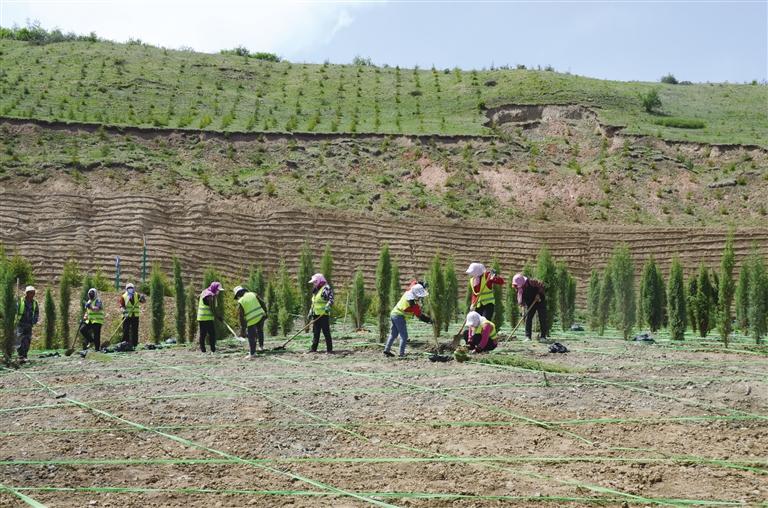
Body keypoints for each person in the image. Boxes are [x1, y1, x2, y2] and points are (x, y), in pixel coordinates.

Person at [384, 283, 432, 358]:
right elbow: (419, 315)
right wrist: (429, 320)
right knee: (404, 336)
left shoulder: (409, 292)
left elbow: (414, 282)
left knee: (393, 334)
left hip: (393, 313)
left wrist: (423, 285)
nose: (420, 298)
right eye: (419, 296)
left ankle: (387, 350)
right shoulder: (412, 303)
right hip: (399, 316)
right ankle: (401, 354)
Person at [512, 273, 548, 342]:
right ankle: (528, 337)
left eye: (517, 285)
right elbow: (521, 301)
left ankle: (543, 336)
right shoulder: (519, 289)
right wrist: (523, 311)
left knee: (542, 317)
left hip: (539, 300)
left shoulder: (532, 281)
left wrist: (538, 294)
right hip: (530, 302)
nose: (516, 287)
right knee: (528, 317)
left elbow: (542, 285)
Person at [234, 285, 267, 359]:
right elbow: (263, 303)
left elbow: (241, 317)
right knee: (260, 331)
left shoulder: (241, 301)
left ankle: (252, 353)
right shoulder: (253, 294)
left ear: (239, 294)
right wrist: (266, 313)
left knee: (251, 336)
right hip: (260, 316)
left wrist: (243, 329)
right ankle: (261, 347)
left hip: (252, 320)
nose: (238, 298)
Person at [308, 273, 334, 353]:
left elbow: (331, 299)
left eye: (315, 282)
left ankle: (329, 350)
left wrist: (328, 306)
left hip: (323, 314)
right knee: (316, 332)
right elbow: (314, 302)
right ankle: (313, 349)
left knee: (326, 332)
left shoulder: (326, 288)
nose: (314, 283)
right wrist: (310, 311)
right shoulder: (315, 290)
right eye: (313, 282)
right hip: (315, 314)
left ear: (320, 280)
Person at [15, 286, 39, 363]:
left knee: (27, 340)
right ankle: (20, 356)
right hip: (20, 323)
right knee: (20, 339)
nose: (32, 294)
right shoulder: (20, 301)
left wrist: (34, 320)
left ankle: (25, 355)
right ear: (27, 293)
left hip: (29, 324)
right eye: (30, 293)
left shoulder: (35, 303)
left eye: (33, 293)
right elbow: (15, 310)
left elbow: (36, 312)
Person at [197, 281, 223, 353]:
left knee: (203, 334)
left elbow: (198, 297)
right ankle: (212, 350)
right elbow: (212, 308)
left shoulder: (204, 292)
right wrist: (218, 316)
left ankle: (203, 350)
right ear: (214, 288)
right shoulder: (210, 295)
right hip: (206, 318)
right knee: (211, 334)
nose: (218, 292)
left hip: (201, 317)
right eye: (218, 290)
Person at [118, 282, 143, 349]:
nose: (130, 289)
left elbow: (143, 301)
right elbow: (121, 306)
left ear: (133, 288)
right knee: (126, 330)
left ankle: (134, 344)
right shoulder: (123, 296)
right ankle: (125, 343)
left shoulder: (137, 295)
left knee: (135, 330)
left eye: (131, 288)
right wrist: (124, 312)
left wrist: (142, 298)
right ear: (126, 289)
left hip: (135, 316)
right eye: (129, 288)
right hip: (126, 316)